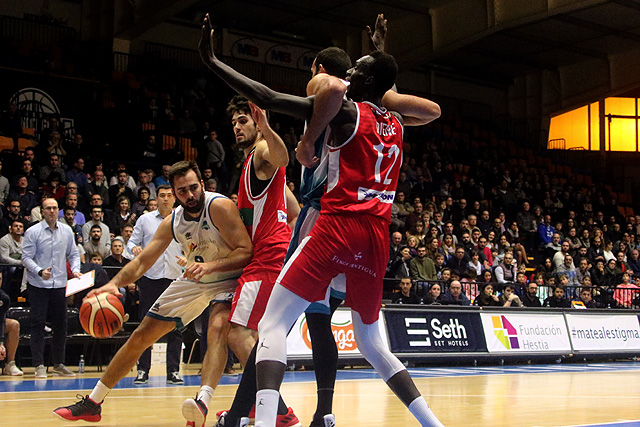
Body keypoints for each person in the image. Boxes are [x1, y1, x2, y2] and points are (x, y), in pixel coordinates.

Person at [198, 14, 444, 427]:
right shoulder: (397, 122)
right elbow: (425, 107)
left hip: (335, 228)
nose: (349, 71)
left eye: (358, 69)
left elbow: (268, 94)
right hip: (377, 237)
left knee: (272, 323)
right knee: (371, 343)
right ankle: (432, 423)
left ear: (364, 84)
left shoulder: (345, 114)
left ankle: (261, 422)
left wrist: (211, 60)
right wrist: (382, 63)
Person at [53, 161, 253, 423]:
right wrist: (114, 284)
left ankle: (202, 402)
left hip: (229, 278)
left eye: (194, 188)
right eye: (182, 191)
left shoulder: (220, 206)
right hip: (195, 278)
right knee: (140, 335)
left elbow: (245, 251)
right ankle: (94, 402)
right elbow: (141, 262)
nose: (190, 195)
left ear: (202, 185)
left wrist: (211, 267)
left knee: (217, 328)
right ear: (173, 194)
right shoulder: (174, 221)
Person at [202, 96, 301, 427]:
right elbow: (295, 212)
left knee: (239, 334)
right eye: (234, 123)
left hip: (267, 258)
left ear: (257, 122)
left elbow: (282, 156)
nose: (237, 127)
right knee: (256, 335)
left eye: (243, 120)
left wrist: (267, 127)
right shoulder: (251, 167)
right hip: (272, 254)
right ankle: (272, 408)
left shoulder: (261, 152)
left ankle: (274, 408)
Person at [126, 185, 184, 385]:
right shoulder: (145, 219)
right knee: (145, 325)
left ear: (174, 198)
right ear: (156, 199)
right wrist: (135, 249)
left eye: (169, 195)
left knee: (176, 325)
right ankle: (143, 369)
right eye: (162, 196)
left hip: (176, 278)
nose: (166, 199)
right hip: (150, 278)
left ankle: (173, 370)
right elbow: (131, 243)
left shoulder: (183, 218)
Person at [22, 197, 82, 378]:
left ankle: (59, 363)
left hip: (60, 284)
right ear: (42, 211)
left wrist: (76, 271)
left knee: (61, 324)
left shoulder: (66, 230)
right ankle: (39, 365)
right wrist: (39, 271)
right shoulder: (33, 232)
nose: (52, 211)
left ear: (59, 211)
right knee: (38, 323)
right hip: (38, 284)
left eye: (55, 208)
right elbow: (26, 258)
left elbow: (73, 254)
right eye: (48, 208)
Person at [0, 284, 23, 376]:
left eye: (0, 279)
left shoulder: (3, 298)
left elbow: (1, 320)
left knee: (13, 325)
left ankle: (10, 364)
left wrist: (0, 343)